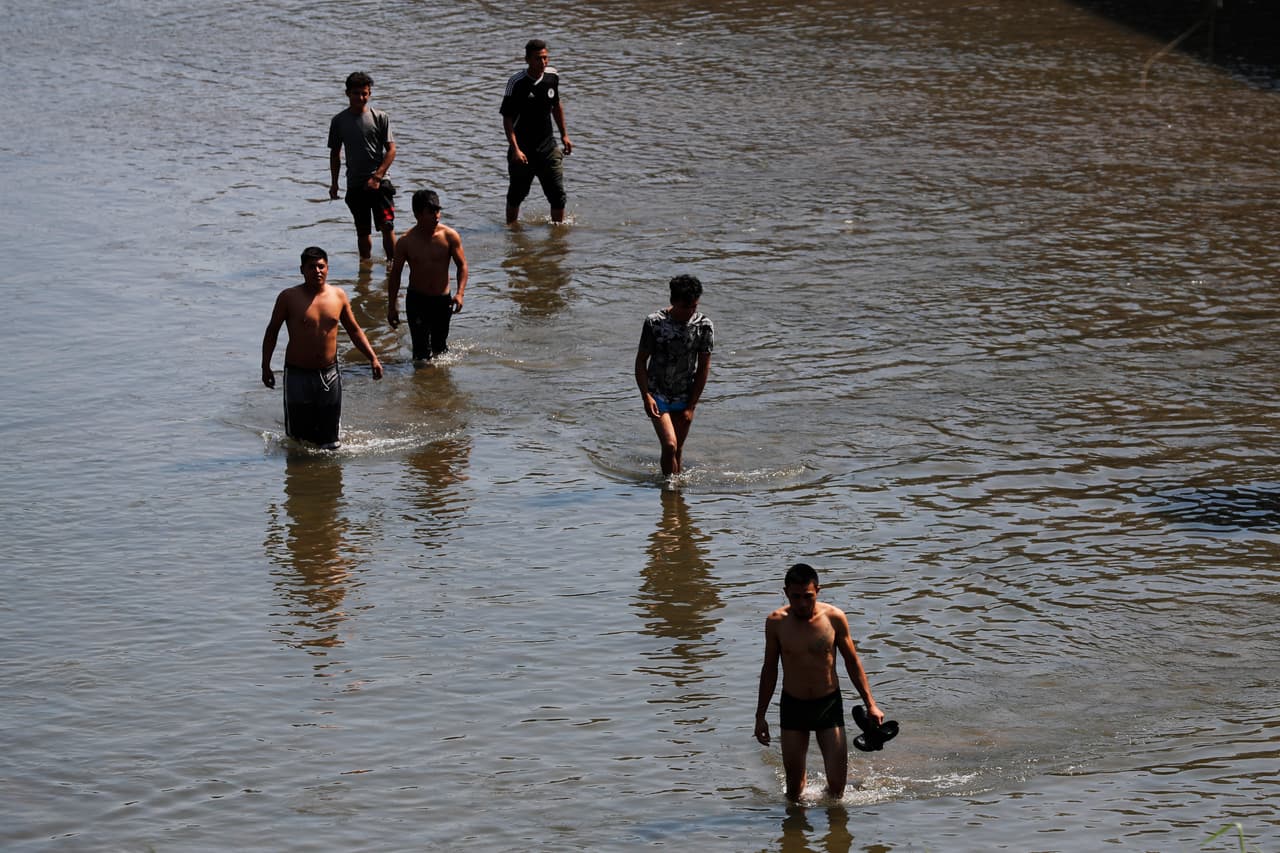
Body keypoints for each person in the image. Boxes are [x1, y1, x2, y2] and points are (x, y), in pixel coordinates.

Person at [754, 563, 886, 802]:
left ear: (818, 590)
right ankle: (798, 830)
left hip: (828, 705)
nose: (802, 603)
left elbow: (852, 662)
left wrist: (871, 704)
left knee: (837, 789)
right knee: (794, 792)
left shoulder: (835, 618)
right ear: (786, 592)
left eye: (808, 596)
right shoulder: (775, 622)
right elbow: (770, 669)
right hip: (793, 706)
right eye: (796, 597)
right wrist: (760, 715)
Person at [262, 247, 384, 449]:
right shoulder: (289, 297)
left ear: (327, 268)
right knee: (298, 442)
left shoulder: (338, 296)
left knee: (331, 443)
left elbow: (354, 330)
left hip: (329, 374)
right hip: (297, 375)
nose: (317, 271)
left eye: (321, 266)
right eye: (311, 267)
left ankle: (328, 479)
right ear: (302, 270)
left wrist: (373, 358)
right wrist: (265, 366)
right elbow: (272, 332)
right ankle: (300, 478)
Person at [634, 275, 713, 477]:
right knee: (669, 445)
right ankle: (669, 493)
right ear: (674, 301)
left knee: (677, 450)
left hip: (685, 396)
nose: (691, 311)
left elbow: (704, 367)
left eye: (694, 306)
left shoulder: (704, 326)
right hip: (657, 394)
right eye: (686, 307)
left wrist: (691, 406)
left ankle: (675, 499)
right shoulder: (654, 323)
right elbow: (641, 361)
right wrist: (646, 395)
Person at [387, 189, 469, 361]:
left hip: (442, 300)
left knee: (441, 350)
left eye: (438, 211)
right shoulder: (405, 242)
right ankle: (421, 385)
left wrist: (460, 294)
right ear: (417, 214)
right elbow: (395, 275)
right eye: (431, 212)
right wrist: (392, 306)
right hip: (417, 301)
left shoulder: (449, 236)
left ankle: (439, 384)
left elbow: (462, 265)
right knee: (420, 354)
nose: (437, 216)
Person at [501, 39, 573, 224]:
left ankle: (557, 238)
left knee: (558, 195)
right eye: (538, 59)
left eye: (545, 58)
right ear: (527, 60)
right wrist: (515, 149)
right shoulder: (516, 83)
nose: (543, 63)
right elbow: (507, 119)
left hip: (548, 148)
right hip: (523, 151)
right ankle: (512, 231)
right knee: (516, 195)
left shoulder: (552, 76)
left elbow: (556, 105)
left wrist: (564, 134)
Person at [328, 71, 397, 262]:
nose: (361, 97)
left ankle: (393, 267)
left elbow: (391, 150)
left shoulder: (380, 117)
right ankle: (364, 270)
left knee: (387, 226)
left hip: (380, 183)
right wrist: (334, 183)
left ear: (370, 94)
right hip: (356, 183)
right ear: (347, 93)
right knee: (362, 230)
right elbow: (335, 154)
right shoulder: (339, 121)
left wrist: (377, 177)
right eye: (356, 93)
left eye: (365, 93)